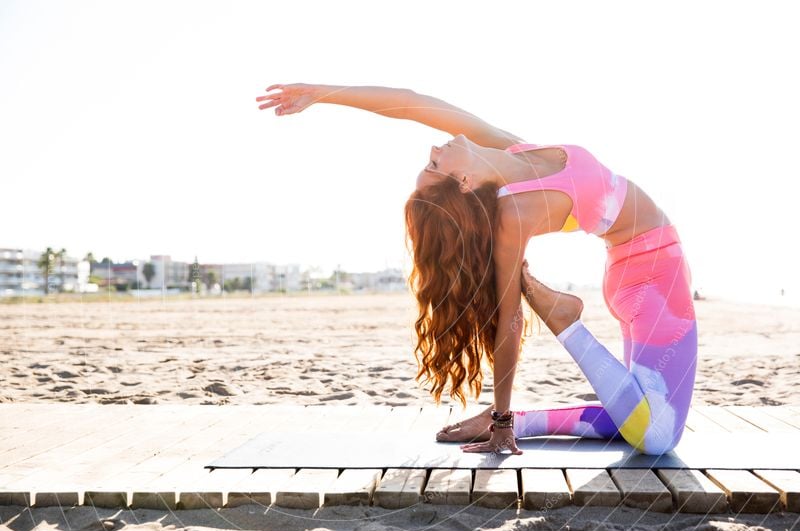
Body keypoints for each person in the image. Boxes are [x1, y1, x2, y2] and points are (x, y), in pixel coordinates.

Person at [256, 83, 698, 457]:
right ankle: (566, 325)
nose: (434, 148)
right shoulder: (515, 213)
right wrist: (501, 416)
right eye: (433, 165)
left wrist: (322, 93)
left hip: (634, 276)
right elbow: (508, 320)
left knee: (639, 410)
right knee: (658, 435)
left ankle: (526, 418)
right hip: (658, 274)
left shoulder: (513, 151)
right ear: (464, 183)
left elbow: (414, 106)